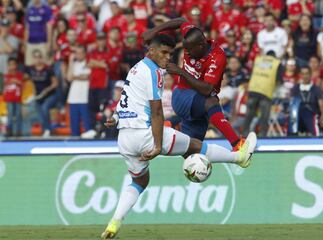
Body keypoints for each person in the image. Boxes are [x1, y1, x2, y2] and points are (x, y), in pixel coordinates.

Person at [100, 34, 257, 239]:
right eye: (164, 53)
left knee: (139, 181)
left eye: (171, 54)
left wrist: (115, 118)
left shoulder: (135, 68)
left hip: (125, 139)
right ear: (151, 51)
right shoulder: (154, 72)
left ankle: (114, 222)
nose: (167, 58)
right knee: (195, 146)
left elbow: (126, 101)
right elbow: (157, 112)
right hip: (146, 134)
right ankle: (239, 157)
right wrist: (157, 145)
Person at [142, 18, 249, 151]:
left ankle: (167, 128)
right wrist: (154, 31)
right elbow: (181, 21)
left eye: (189, 49)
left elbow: (207, 89)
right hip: (182, 95)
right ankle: (237, 144)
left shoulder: (217, 57)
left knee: (193, 150)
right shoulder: (192, 34)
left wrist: (181, 72)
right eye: (185, 48)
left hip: (198, 103)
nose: (186, 53)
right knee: (212, 102)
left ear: (200, 46)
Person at [243, 50, 282, 137]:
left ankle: (244, 135)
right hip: (266, 92)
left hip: (253, 90)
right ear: (274, 56)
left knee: (249, 115)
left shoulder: (258, 59)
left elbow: (250, 73)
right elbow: (279, 80)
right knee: (264, 116)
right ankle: (262, 136)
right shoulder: (277, 63)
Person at [290, 66, 323, 136]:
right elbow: (292, 102)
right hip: (298, 114)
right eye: (303, 74)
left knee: (306, 113)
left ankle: (316, 136)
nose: (305, 76)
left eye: (307, 74)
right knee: (294, 116)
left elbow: (321, 103)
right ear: (300, 75)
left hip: (312, 112)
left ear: (310, 75)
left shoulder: (316, 89)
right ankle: (291, 138)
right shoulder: (296, 88)